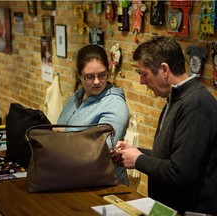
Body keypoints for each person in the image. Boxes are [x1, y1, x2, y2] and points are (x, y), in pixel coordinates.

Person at [111, 35, 217, 215]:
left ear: (164, 70)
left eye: (144, 74)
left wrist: (138, 160)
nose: (142, 82)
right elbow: (171, 156)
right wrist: (135, 151)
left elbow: (181, 172)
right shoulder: (176, 99)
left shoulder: (195, 105)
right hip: (167, 209)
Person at [57, 44, 130, 186]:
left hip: (103, 184)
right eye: (89, 77)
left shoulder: (115, 104)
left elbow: (101, 148)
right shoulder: (76, 97)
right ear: (79, 75)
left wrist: (62, 132)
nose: (97, 82)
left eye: (102, 75)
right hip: (71, 177)